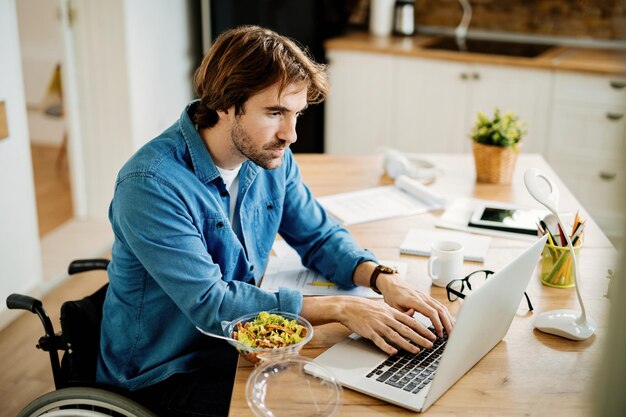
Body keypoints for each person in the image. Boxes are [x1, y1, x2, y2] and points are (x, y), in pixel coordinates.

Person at [97, 25, 453, 416]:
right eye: (275, 113)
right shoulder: (150, 185)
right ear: (226, 104)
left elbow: (318, 236)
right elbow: (212, 304)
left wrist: (382, 277)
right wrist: (342, 308)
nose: (291, 134)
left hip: (246, 345)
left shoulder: (267, 156)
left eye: (296, 114)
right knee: (318, 405)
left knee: (358, 389)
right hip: (168, 372)